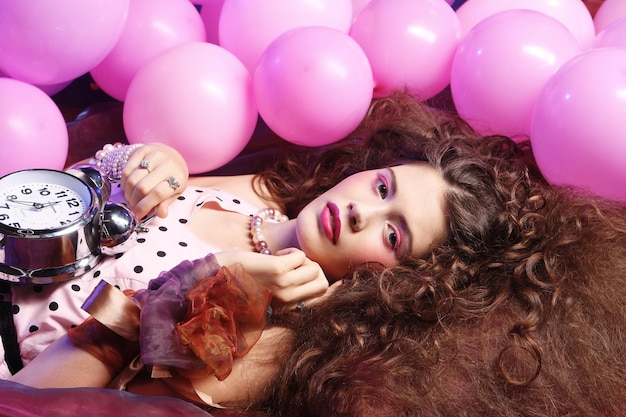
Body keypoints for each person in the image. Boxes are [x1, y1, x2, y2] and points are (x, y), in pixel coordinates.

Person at [8, 92, 536, 410]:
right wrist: (146, 162)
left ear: (407, 283)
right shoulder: (263, 194)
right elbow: (92, 190)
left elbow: (41, 406)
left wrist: (213, 287)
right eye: (381, 188)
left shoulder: (286, 339)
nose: (362, 212)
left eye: (393, 235)